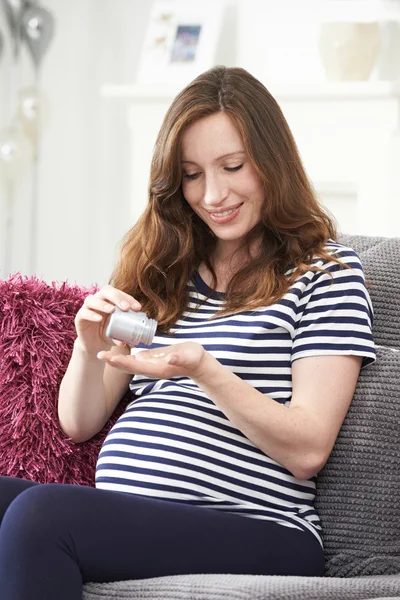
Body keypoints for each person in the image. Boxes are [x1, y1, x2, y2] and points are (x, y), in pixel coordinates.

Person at [0, 66, 375, 599]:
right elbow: (79, 423)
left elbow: (308, 447)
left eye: (233, 166)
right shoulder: (162, 271)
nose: (213, 193)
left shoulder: (327, 273)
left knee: (41, 516)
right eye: (192, 174)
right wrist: (89, 346)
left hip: (264, 530)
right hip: (141, 518)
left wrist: (202, 367)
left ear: (271, 162)